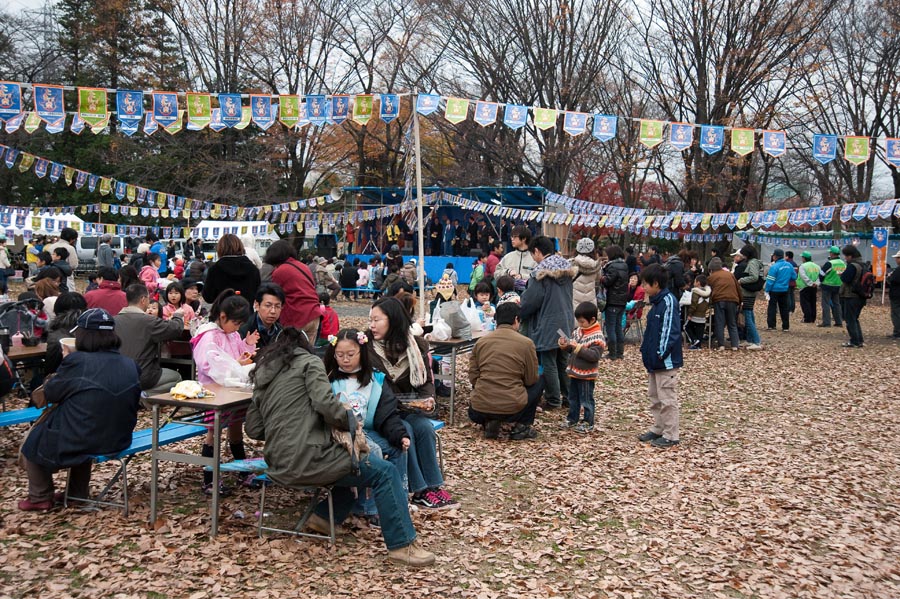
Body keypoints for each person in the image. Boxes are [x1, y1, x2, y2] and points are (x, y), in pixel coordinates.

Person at [244, 327, 435, 566]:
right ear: (305, 347)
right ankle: (402, 546)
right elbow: (326, 405)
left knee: (349, 466)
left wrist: (284, 424)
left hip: (277, 462)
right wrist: (351, 422)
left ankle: (324, 517)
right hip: (309, 458)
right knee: (385, 472)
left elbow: (253, 428)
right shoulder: (309, 362)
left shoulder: (264, 374)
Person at [17, 308, 141, 511]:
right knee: (85, 425)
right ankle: (76, 494)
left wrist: (64, 364)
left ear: (83, 335)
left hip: (85, 436)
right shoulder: (130, 364)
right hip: (118, 436)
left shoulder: (77, 362)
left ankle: (40, 496)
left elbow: (50, 394)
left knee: (34, 440)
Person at [367, 297, 457, 509]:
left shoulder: (416, 346)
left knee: (424, 427)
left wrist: (428, 399)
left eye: (377, 320)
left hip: (408, 406)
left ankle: (433, 485)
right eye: (370, 320)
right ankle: (418, 489)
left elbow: (425, 380)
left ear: (394, 320)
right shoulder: (366, 349)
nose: (372, 325)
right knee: (405, 429)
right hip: (381, 413)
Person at [325, 328, 411, 524]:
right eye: (340, 355)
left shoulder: (376, 380)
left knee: (398, 448)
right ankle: (369, 508)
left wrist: (400, 434)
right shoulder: (328, 380)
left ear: (361, 353)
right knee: (373, 451)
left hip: (370, 431)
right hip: (342, 434)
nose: (345, 360)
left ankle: (397, 499)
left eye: (350, 354)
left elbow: (388, 414)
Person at [191, 289, 257, 494]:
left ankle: (242, 471)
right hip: (213, 392)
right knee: (213, 433)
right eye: (235, 323)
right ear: (222, 316)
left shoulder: (232, 333)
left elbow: (237, 355)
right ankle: (209, 479)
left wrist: (246, 350)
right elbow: (208, 365)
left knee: (236, 427)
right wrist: (237, 364)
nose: (237, 327)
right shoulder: (208, 336)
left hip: (232, 390)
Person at [468, 303, 543, 440]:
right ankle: (522, 425)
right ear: (516, 319)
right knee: (541, 380)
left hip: (477, 410)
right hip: (513, 409)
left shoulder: (481, 342)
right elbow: (531, 379)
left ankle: (489, 421)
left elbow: (473, 377)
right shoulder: (526, 343)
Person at [519, 235, 574, 409]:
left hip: (548, 322)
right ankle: (568, 396)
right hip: (566, 319)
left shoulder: (540, 273)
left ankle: (553, 399)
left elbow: (531, 300)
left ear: (537, 251)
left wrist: (519, 308)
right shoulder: (566, 268)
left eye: (532, 254)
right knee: (562, 359)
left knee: (548, 360)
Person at [637, 264, 682, 449]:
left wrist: (660, 354)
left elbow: (670, 331)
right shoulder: (655, 303)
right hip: (653, 361)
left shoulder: (669, 302)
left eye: (646, 284)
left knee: (667, 398)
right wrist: (645, 352)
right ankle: (658, 427)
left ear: (656, 284)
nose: (643, 288)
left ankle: (671, 434)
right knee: (654, 396)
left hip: (666, 361)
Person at [116, 284, 186, 394]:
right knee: (176, 378)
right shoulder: (148, 321)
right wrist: (177, 316)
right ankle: (143, 396)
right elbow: (175, 329)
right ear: (143, 300)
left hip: (118, 374)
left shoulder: (114, 320)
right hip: (143, 375)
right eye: (148, 298)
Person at [558, 302, 606, 433]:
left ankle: (588, 421)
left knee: (586, 399)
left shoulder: (597, 336)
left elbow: (594, 355)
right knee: (573, 397)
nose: (580, 324)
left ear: (592, 320)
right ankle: (572, 418)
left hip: (586, 374)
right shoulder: (578, 331)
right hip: (574, 372)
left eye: (582, 322)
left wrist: (577, 347)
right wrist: (566, 345)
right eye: (578, 322)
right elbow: (572, 349)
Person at [266, 240, 320, 343]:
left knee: (292, 353)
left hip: (298, 316)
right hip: (314, 313)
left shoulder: (280, 271)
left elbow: (275, 294)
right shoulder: (303, 266)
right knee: (307, 353)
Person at [203, 234, 261, 304]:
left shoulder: (215, 269)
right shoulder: (253, 269)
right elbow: (258, 294)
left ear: (220, 248)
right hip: (246, 311)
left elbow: (208, 297)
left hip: (223, 311)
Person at [43, 292, 88, 376]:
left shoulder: (57, 336)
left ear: (57, 310)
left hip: (66, 381)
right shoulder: (94, 329)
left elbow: (50, 369)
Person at [600, 244, 629, 360]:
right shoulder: (624, 265)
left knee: (610, 327)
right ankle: (620, 352)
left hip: (612, 300)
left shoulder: (612, 267)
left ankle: (612, 353)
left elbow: (607, 281)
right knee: (618, 327)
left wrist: (602, 276)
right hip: (622, 301)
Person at [732, 245, 764, 350]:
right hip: (750, 293)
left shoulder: (752, 263)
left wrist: (741, 280)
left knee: (748, 317)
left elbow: (754, 277)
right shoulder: (756, 262)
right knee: (749, 315)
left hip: (747, 293)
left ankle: (756, 341)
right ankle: (751, 340)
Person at [707, 257, 741, 351]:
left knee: (720, 322)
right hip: (733, 300)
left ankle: (721, 345)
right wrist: (740, 301)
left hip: (719, 300)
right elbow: (738, 288)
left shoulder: (711, 277)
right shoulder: (730, 275)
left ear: (711, 269)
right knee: (732, 323)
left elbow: (708, 291)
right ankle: (735, 345)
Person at [238, 283, 285, 350]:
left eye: (277, 306)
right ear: (257, 305)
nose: (273, 311)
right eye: (268, 305)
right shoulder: (244, 330)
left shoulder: (281, 332)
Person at [839, 245, 867, 348]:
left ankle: (854, 340)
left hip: (851, 295)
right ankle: (859, 340)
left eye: (846, 256)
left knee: (850, 319)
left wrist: (842, 275)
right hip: (861, 295)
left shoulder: (853, 266)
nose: (845, 258)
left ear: (850, 256)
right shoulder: (863, 264)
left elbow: (846, 279)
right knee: (855, 318)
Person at [765, 248, 797, 331]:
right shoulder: (789, 265)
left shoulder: (774, 267)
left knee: (772, 307)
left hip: (774, 290)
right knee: (784, 308)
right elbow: (794, 276)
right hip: (785, 289)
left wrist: (767, 290)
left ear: (775, 257)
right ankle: (785, 326)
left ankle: (772, 326)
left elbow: (770, 280)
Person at [43, 227, 78, 292]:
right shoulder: (70, 248)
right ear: (71, 239)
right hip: (66, 278)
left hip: (51, 277)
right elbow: (74, 265)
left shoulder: (51, 246)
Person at [570, 238, 600, 312]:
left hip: (574, 300)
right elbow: (598, 279)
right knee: (589, 321)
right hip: (590, 301)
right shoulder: (596, 265)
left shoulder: (571, 263)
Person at [818, 246, 845, 328]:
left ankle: (826, 322)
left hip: (827, 285)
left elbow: (822, 274)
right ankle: (839, 322)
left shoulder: (829, 263)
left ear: (832, 253)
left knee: (825, 304)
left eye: (830, 252)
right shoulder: (843, 263)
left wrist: (821, 281)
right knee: (837, 304)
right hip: (838, 285)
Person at [796, 251, 821, 324]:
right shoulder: (817, 266)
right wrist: (816, 283)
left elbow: (803, 276)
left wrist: (810, 283)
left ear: (804, 258)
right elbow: (820, 276)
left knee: (805, 303)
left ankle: (807, 318)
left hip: (804, 286)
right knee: (813, 302)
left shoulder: (802, 266)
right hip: (814, 287)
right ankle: (813, 318)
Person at [889, 250, 900, 338]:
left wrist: (890, 277)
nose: (896, 260)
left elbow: (894, 280)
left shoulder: (898, 270)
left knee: (896, 313)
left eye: (897, 258)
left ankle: (897, 332)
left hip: (896, 294)